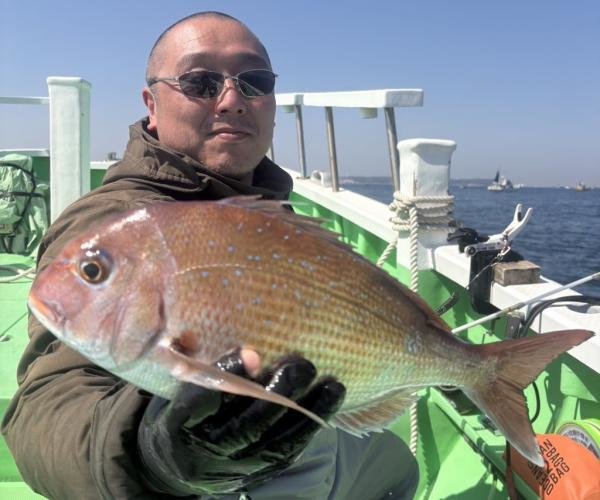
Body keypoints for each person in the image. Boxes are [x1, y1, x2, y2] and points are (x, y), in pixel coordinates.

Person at [1, 11, 418, 499]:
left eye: (255, 82)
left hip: (307, 427)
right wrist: (155, 456)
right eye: (200, 82)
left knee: (394, 466)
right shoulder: (116, 223)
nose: (232, 100)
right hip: (203, 484)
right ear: (151, 105)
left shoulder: (265, 208)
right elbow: (45, 407)